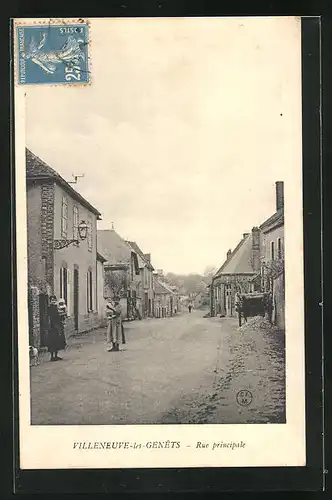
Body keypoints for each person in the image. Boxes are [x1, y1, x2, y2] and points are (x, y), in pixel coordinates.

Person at [47, 295, 66, 361]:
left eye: (54, 300)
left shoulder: (56, 307)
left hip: (58, 325)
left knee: (58, 341)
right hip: (52, 327)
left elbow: (60, 315)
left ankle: (56, 355)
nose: (53, 301)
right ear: (50, 301)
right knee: (52, 341)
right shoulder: (49, 307)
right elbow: (51, 316)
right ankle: (52, 356)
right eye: (52, 300)